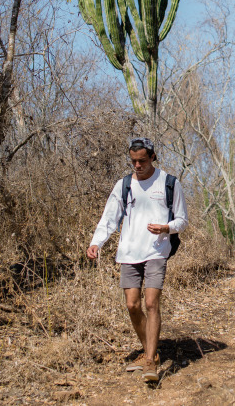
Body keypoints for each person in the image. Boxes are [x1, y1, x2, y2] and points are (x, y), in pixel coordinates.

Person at [86, 137, 188, 383]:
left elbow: (182, 221)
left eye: (142, 160)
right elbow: (110, 218)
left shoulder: (169, 183)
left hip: (156, 251)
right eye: (133, 161)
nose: (137, 165)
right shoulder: (123, 185)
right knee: (133, 305)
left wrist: (166, 227)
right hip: (129, 252)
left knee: (151, 303)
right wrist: (96, 242)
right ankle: (149, 349)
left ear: (153, 157)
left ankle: (151, 361)